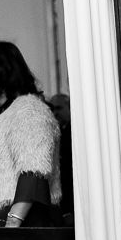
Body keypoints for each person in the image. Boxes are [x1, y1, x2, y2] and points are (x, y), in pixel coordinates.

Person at [0, 43, 63, 227]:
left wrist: (13, 222)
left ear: (6, 71)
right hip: (4, 218)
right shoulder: (7, 114)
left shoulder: (30, 109)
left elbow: (34, 170)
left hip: (26, 221)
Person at [48, 93, 73, 222]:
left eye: (59, 108)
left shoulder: (75, 134)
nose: (55, 113)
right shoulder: (56, 134)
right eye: (52, 109)